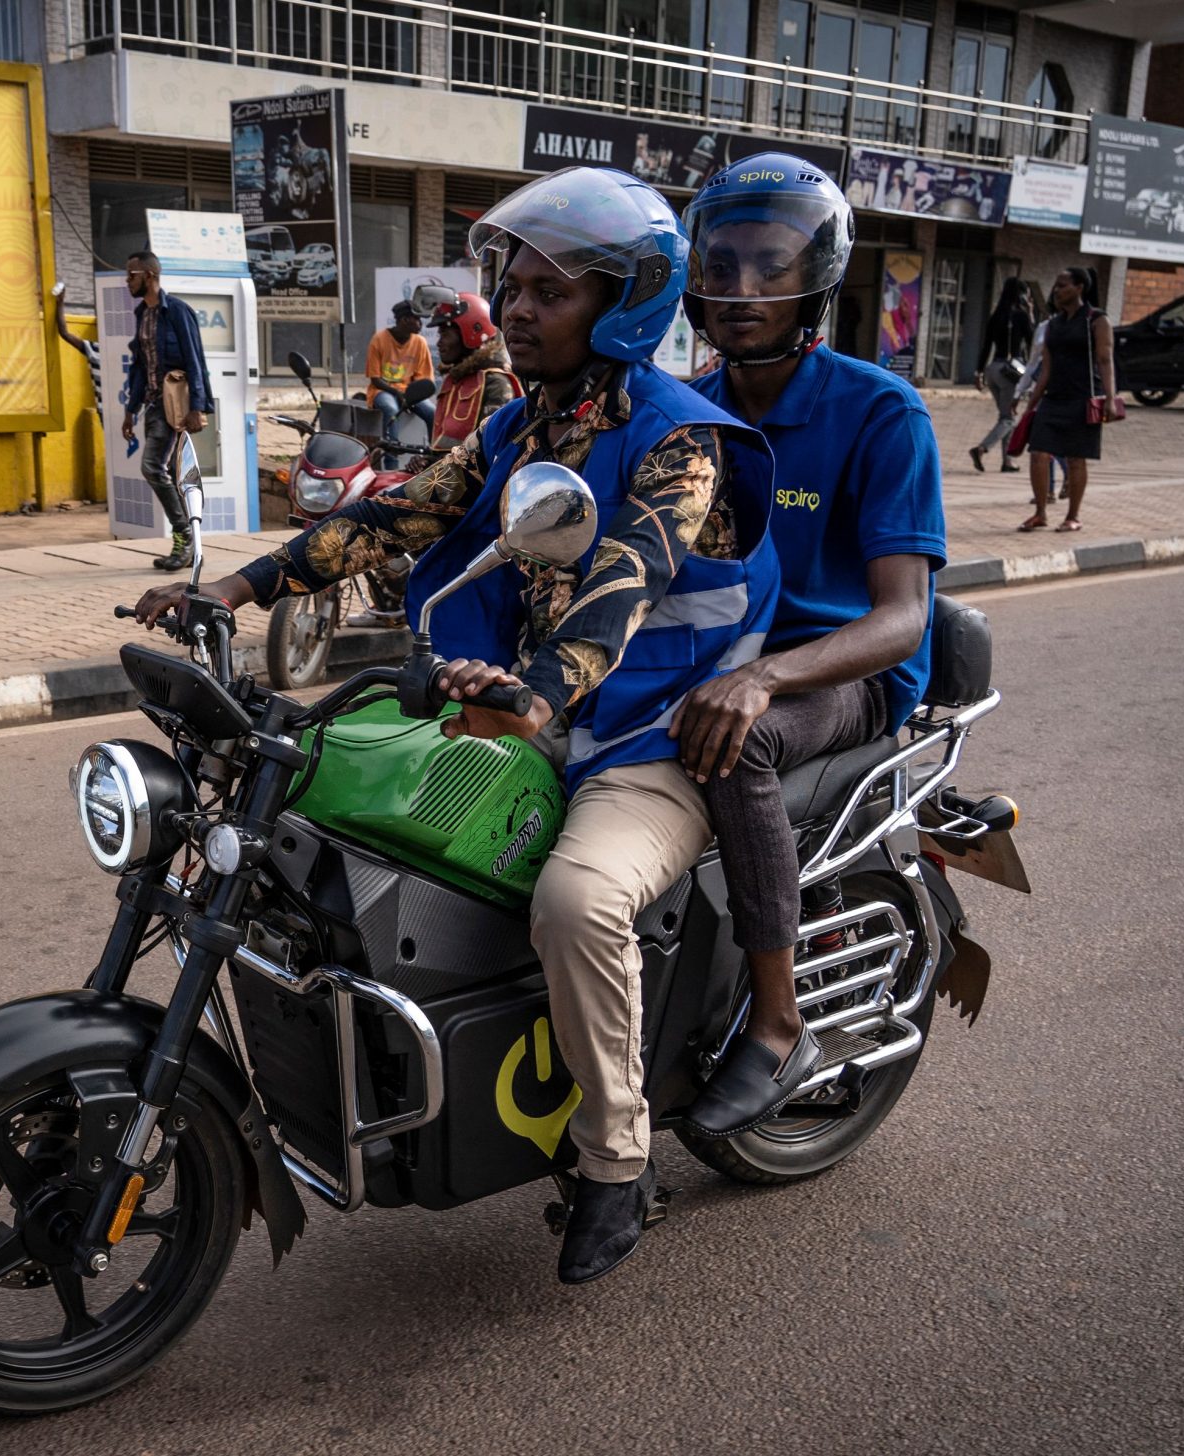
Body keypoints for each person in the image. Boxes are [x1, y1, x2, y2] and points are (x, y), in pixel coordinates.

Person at [134, 168, 779, 1284]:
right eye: (512, 286)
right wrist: (233, 592)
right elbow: (397, 512)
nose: (515, 308)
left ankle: (616, 1159)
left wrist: (539, 688)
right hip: (525, 717)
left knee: (578, 901)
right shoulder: (523, 425)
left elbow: (626, 579)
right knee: (341, 808)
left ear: (624, 303)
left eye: (548, 291)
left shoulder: (683, 441)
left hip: (645, 739)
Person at [675, 153, 947, 1136]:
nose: (741, 289)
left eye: (771, 265)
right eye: (724, 263)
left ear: (815, 281)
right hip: (721, 656)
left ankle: (778, 1021)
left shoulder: (879, 412)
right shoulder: (687, 408)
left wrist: (765, 677)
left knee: (735, 738)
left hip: (845, 672)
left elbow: (902, 618)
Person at [117, 250, 215, 572]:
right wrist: (130, 411)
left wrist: (197, 406)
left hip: (175, 403)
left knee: (152, 466)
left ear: (149, 275)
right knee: (165, 470)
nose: (127, 280)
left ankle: (185, 535)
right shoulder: (141, 315)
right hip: (153, 403)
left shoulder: (177, 312)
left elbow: (194, 359)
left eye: (132, 274)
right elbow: (139, 367)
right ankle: (189, 541)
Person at [1021, 266, 1118, 534]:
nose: (1057, 290)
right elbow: (1047, 368)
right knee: (1038, 453)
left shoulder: (1097, 320)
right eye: (1056, 286)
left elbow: (1105, 359)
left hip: (1083, 397)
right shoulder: (1053, 324)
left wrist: (1110, 398)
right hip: (1054, 398)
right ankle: (1040, 513)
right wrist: (1032, 402)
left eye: (1063, 285)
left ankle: (1073, 516)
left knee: (1076, 458)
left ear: (1079, 288)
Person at [426, 291, 515, 448]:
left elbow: (488, 449)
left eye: (445, 335)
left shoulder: (495, 383)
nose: (439, 343)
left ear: (472, 331)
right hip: (445, 470)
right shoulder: (455, 379)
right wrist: (427, 460)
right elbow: (445, 442)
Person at [968, 277, 1033, 473]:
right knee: (1008, 418)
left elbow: (986, 346)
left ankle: (1008, 461)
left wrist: (978, 372)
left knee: (1005, 415)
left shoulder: (996, 316)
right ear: (1021, 296)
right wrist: (1030, 315)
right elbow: (1033, 341)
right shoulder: (1020, 317)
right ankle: (981, 449)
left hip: (993, 370)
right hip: (1010, 373)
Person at [365, 299, 436, 444]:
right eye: (416, 319)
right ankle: (392, 460)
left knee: (433, 413)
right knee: (390, 409)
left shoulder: (420, 342)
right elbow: (375, 379)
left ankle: (432, 456)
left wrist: (410, 396)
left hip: (409, 392)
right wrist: (397, 393)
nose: (420, 324)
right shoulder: (378, 339)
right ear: (404, 320)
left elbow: (423, 379)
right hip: (382, 391)